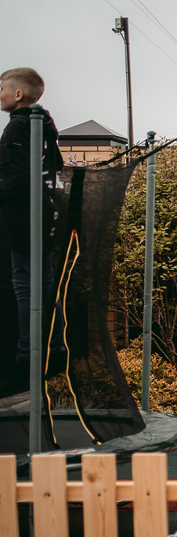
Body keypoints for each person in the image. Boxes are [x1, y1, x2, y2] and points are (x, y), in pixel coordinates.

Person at [0, 67, 64, 397]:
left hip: (22, 219)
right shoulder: (44, 128)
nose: (0, 95)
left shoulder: (15, 130)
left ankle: (26, 362)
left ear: (18, 95)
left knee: (24, 287)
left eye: (2, 89)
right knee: (44, 283)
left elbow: (15, 179)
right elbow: (54, 168)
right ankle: (54, 349)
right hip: (45, 216)